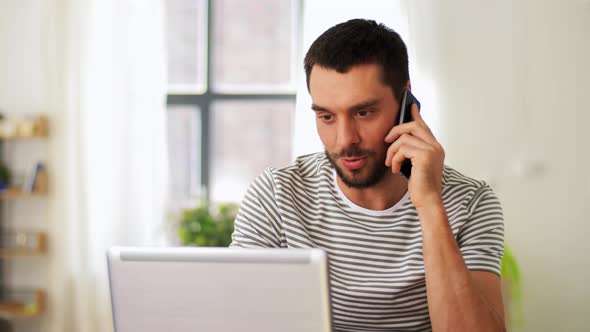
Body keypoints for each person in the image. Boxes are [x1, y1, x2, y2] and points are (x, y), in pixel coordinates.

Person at [231, 19, 505, 332]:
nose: (344, 139)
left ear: (406, 102)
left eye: (363, 113)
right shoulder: (277, 195)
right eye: (327, 116)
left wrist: (429, 204)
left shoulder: (470, 203)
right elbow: (236, 318)